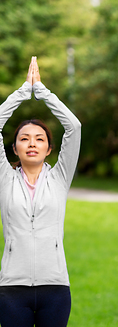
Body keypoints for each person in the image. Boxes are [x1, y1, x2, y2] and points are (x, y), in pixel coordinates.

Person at [0, 57, 81, 327]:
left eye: (40, 139)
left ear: (49, 149)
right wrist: (24, 91)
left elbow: (74, 127)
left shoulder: (59, 177)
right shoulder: (5, 179)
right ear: (14, 149)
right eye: (24, 138)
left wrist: (43, 92)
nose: (31, 143)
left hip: (55, 288)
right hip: (11, 289)